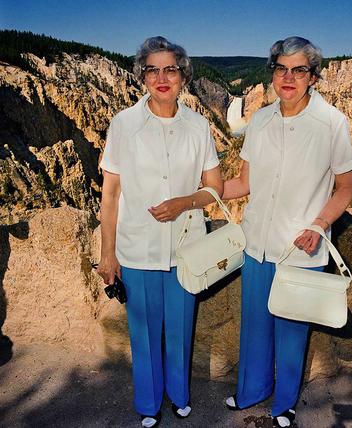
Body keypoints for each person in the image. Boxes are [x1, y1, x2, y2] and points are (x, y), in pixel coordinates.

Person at [223, 36, 352, 428]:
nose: (288, 77)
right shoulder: (260, 120)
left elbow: (346, 186)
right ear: (273, 73)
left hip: (301, 247)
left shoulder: (332, 123)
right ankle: (251, 391)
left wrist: (319, 225)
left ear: (313, 77)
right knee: (255, 326)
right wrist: (199, 187)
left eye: (299, 70)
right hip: (257, 244)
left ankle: (284, 404)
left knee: (292, 329)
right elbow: (243, 183)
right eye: (281, 68)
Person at [97, 36, 223, 428]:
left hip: (186, 249)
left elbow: (214, 187)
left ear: (183, 76)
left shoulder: (198, 125)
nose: (162, 77)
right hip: (138, 250)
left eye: (170, 69)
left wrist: (184, 202)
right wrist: (108, 253)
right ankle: (149, 405)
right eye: (153, 69)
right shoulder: (124, 124)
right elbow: (111, 193)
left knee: (181, 330)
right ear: (143, 76)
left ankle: (180, 396)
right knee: (145, 335)